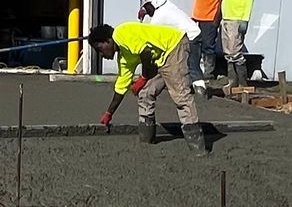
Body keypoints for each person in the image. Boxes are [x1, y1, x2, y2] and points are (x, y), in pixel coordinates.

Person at [86, 14, 207, 147]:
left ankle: (197, 146)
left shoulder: (121, 33)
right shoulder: (124, 59)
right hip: (160, 57)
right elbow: (120, 89)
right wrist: (109, 113)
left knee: (180, 95)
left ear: (108, 41)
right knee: (145, 93)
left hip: (173, 45)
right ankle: (146, 141)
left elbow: (146, 52)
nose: (102, 55)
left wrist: (143, 77)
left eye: (100, 50)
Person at [190, 0, 227, 90]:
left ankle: (209, 73)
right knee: (197, 45)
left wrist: (218, 17)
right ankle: (200, 70)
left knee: (208, 46)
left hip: (209, 17)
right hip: (199, 17)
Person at [219, 0, 253, 88]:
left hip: (236, 19)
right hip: (226, 19)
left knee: (235, 52)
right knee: (228, 52)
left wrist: (245, 19)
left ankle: (243, 84)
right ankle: (232, 82)